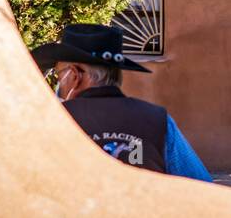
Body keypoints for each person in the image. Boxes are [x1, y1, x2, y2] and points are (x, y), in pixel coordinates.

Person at [31, 23, 212, 182]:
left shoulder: (51, 121)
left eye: (59, 74)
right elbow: (202, 187)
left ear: (74, 75)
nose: (58, 82)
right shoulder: (158, 121)